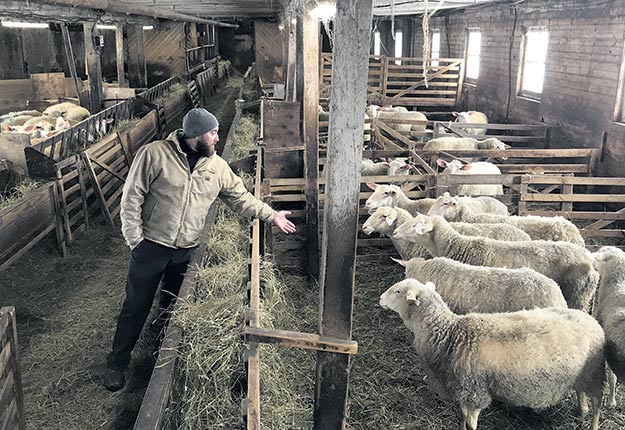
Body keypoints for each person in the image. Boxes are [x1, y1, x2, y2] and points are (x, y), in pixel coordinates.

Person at [104, 107, 296, 391]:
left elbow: (241, 198)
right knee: (136, 306)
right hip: (151, 247)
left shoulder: (216, 167)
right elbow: (132, 197)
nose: (217, 138)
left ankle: (158, 358)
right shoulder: (155, 154)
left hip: (185, 251)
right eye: (213, 132)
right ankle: (117, 364)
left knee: (173, 307)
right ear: (195, 134)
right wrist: (135, 240)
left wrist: (272, 214)